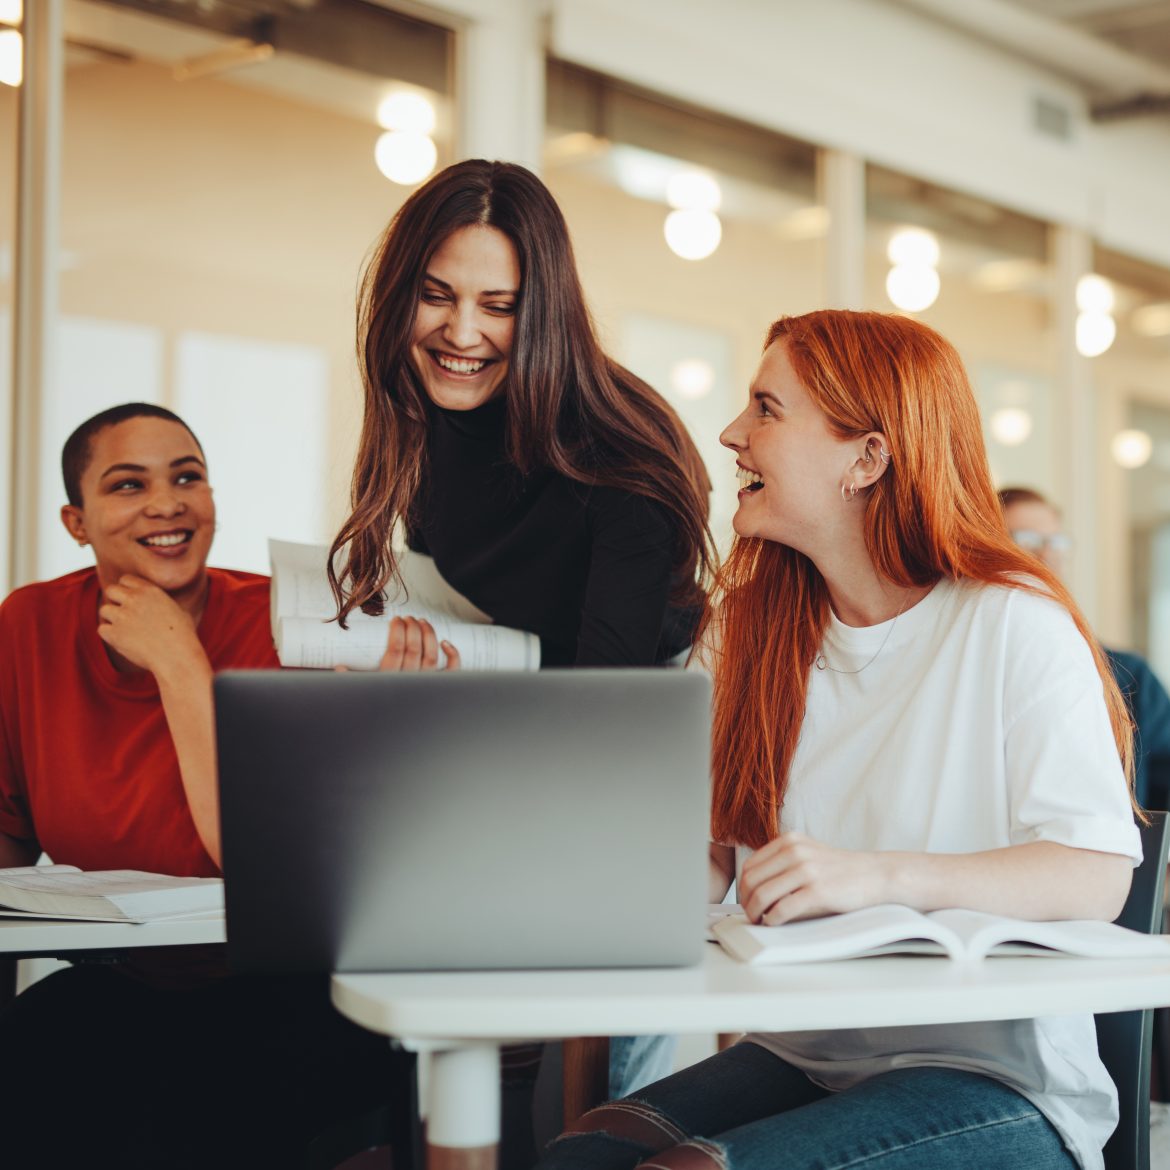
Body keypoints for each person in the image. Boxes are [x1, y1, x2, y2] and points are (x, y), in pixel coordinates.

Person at [536, 310, 1141, 1170]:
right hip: (808, 1055)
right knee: (577, 1157)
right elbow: (717, 859)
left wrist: (877, 877)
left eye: (767, 409)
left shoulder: (1014, 622)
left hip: (998, 1082)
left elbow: (1095, 871)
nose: (732, 434)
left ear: (867, 459)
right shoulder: (750, 632)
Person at [326, 158, 716, 1147]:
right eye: (436, 295)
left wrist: (456, 707)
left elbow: (606, 715)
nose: (462, 333)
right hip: (506, 781)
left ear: (544, 310)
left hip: (634, 808)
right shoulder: (432, 433)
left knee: (580, 1119)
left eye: (497, 305)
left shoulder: (623, 452)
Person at [0, 403, 412, 1170]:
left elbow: (264, 867)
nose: (168, 502)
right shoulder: (27, 626)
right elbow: (10, 842)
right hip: (127, 984)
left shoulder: (300, 626)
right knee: (33, 1053)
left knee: (193, 1105)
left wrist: (180, 665)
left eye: (188, 477)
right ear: (76, 521)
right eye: (129, 485)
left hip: (297, 988)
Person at [999, 485, 1170, 811]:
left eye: (1056, 543)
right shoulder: (968, 668)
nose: (1046, 556)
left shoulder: (1130, 677)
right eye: (1026, 541)